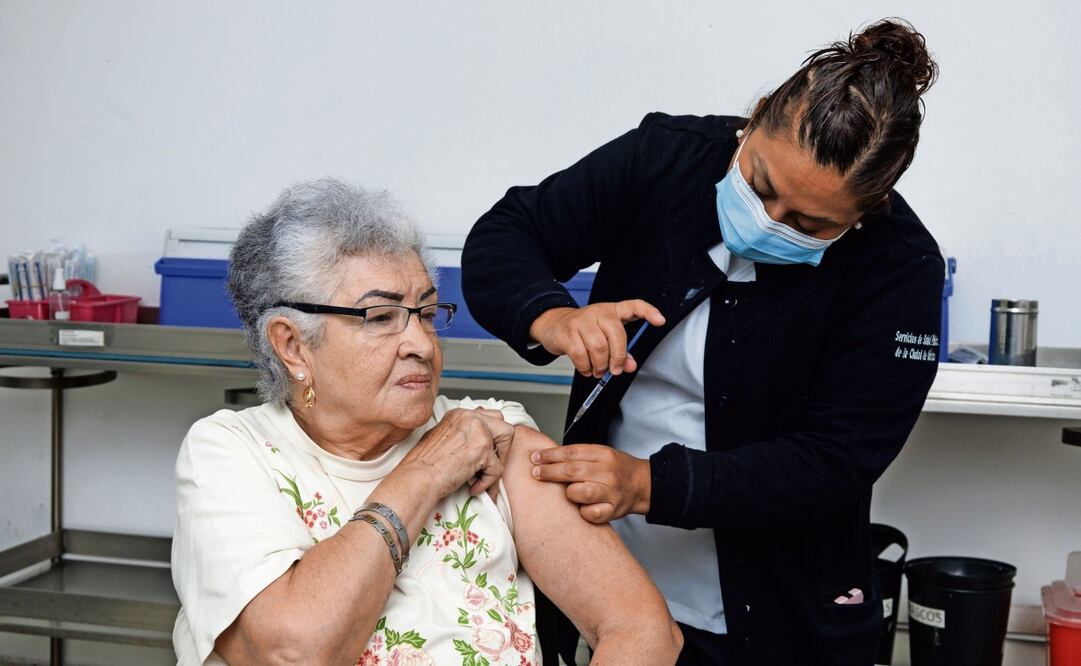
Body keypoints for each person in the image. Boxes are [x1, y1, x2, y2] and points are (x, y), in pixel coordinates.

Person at [461, 18, 943, 666]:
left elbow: (830, 462)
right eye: (760, 184)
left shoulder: (897, 268)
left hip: (781, 616)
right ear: (756, 116)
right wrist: (551, 316)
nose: (767, 222)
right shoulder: (667, 156)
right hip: (605, 587)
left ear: (868, 208)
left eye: (808, 222)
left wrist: (648, 484)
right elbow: (506, 234)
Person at [170, 178, 682, 665]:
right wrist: (428, 471)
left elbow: (642, 629)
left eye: (427, 313)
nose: (420, 344)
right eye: (381, 317)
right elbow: (293, 653)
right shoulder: (230, 452)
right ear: (293, 345)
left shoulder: (491, 432)